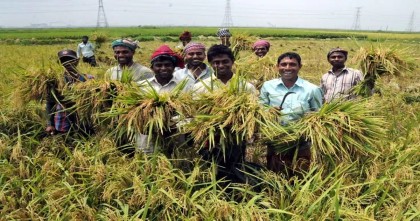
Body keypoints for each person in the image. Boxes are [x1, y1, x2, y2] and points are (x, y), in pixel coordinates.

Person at [193, 44, 256, 182]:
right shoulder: (200, 88)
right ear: (210, 64)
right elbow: (195, 114)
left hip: (236, 138)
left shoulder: (246, 87)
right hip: (210, 140)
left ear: (232, 62)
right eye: (216, 62)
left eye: (225, 61)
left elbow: (252, 114)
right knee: (212, 171)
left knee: (236, 170)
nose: (220, 65)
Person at [259, 52, 323, 174]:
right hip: (276, 140)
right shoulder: (268, 86)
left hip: (301, 141)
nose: (287, 68)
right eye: (284, 64)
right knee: (275, 174)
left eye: (292, 64)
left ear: (300, 67)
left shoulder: (312, 89)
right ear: (277, 66)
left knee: (301, 174)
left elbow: (318, 115)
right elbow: (260, 108)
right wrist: (270, 111)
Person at [135, 45, 194, 155]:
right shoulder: (141, 87)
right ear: (152, 67)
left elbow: (190, 113)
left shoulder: (184, 86)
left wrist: (175, 125)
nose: (163, 68)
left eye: (167, 65)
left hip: (176, 138)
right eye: (159, 65)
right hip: (147, 139)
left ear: (174, 67)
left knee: (176, 164)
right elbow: (134, 113)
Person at [45, 49, 94, 135]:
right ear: (59, 64)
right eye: (63, 61)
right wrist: (50, 124)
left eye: (70, 60)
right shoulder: (55, 82)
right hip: (62, 123)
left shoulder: (89, 79)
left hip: (85, 122)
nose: (67, 63)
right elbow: (50, 103)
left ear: (77, 62)